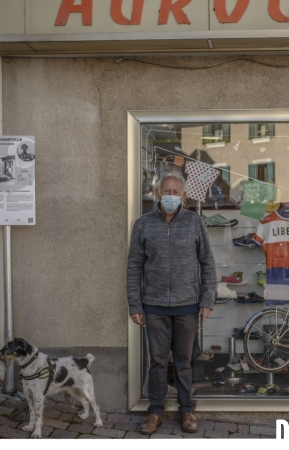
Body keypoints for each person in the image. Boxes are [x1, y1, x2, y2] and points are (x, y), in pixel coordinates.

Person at [126, 170, 216, 435]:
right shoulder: (143, 224)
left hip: (188, 304)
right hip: (154, 306)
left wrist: (207, 299)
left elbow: (207, 263)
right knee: (156, 361)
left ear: (184, 195)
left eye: (176, 192)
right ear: (157, 193)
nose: (171, 196)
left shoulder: (194, 222)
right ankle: (154, 412)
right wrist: (135, 304)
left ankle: (186, 410)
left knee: (184, 361)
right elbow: (134, 267)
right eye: (167, 191)